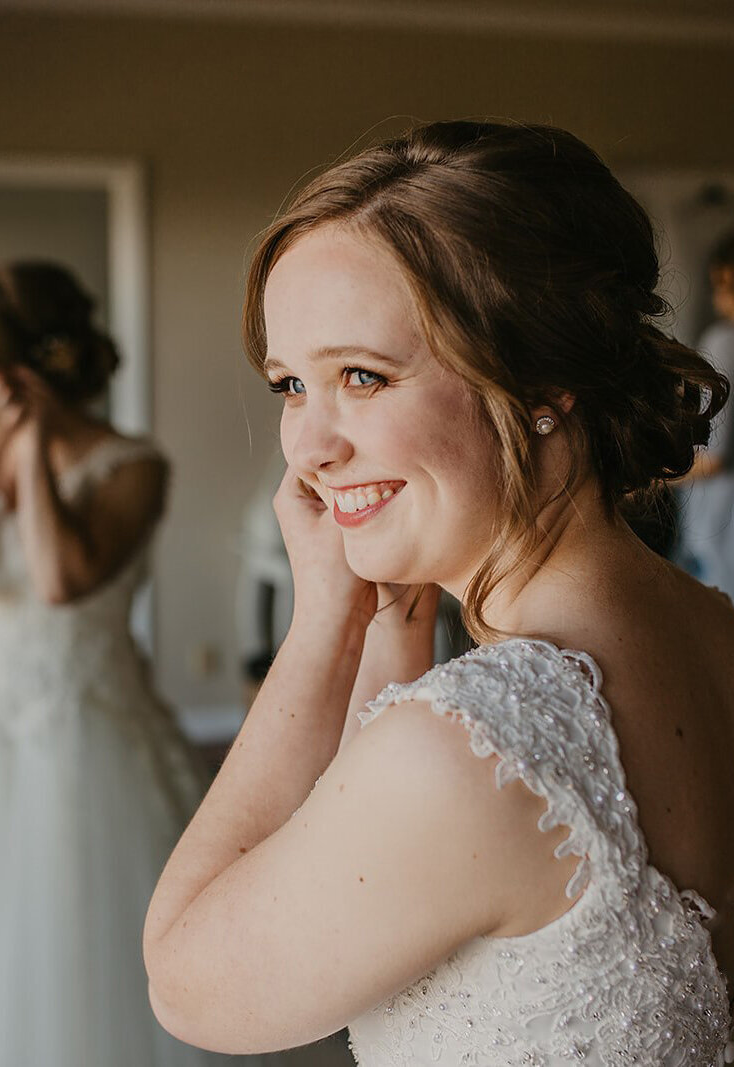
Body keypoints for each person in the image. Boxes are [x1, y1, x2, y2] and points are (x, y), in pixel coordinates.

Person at [143, 122, 734, 1065]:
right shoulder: (711, 629)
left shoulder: (473, 748)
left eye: (362, 377)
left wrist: (319, 628)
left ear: (540, 376)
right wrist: (379, 616)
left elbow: (185, 981)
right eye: (292, 383)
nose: (307, 447)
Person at [0, 262, 212, 1067]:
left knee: (87, 924)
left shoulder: (135, 466)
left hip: (93, 725)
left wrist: (30, 446)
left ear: (7, 363)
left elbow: (59, 580)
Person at [675, 230, 734, 598]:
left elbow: (712, 458)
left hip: (721, 519)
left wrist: (639, 479)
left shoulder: (725, 340)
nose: (719, 300)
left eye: (726, 285)